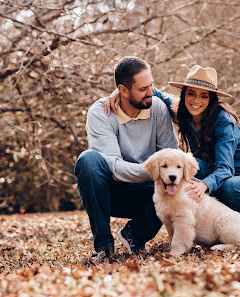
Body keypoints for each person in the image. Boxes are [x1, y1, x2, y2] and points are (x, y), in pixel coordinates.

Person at [105, 65, 240, 238]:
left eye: (204, 96)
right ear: (184, 94)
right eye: (191, 93)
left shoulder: (223, 122)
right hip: (220, 175)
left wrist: (204, 185)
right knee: (193, 169)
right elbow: (152, 92)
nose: (196, 100)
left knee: (228, 188)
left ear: (211, 99)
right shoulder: (183, 113)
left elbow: (225, 169)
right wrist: (119, 92)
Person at [74, 56, 178, 262]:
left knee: (174, 179)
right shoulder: (100, 113)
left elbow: (171, 155)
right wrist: (154, 169)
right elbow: (113, 166)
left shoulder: (157, 107)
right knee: (88, 160)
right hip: (112, 192)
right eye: (143, 89)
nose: (150, 93)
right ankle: (104, 248)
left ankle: (135, 236)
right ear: (123, 90)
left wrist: (164, 173)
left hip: (149, 191)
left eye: (152, 86)